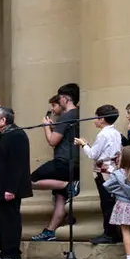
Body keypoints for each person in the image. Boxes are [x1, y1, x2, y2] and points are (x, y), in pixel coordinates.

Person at [30, 83, 81, 241]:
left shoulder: (66, 116)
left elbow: (53, 141)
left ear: (65, 99)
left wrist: (46, 127)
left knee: (27, 180)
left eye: (58, 99)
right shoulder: (78, 114)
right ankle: (50, 231)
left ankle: (68, 185)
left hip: (63, 161)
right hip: (74, 162)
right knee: (60, 199)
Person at [0, 106, 32, 259]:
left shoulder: (16, 135)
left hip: (9, 188)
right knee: (1, 221)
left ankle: (12, 253)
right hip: (0, 186)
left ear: (3, 120)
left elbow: (17, 165)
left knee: (10, 221)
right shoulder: (4, 135)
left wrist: (11, 189)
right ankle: (4, 251)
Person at [77, 105, 124, 245]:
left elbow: (93, 154)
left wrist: (83, 144)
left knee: (106, 202)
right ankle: (113, 232)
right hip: (113, 170)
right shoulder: (115, 132)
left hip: (104, 172)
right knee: (110, 201)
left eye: (96, 117)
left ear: (102, 119)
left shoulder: (103, 134)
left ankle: (109, 233)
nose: (95, 120)